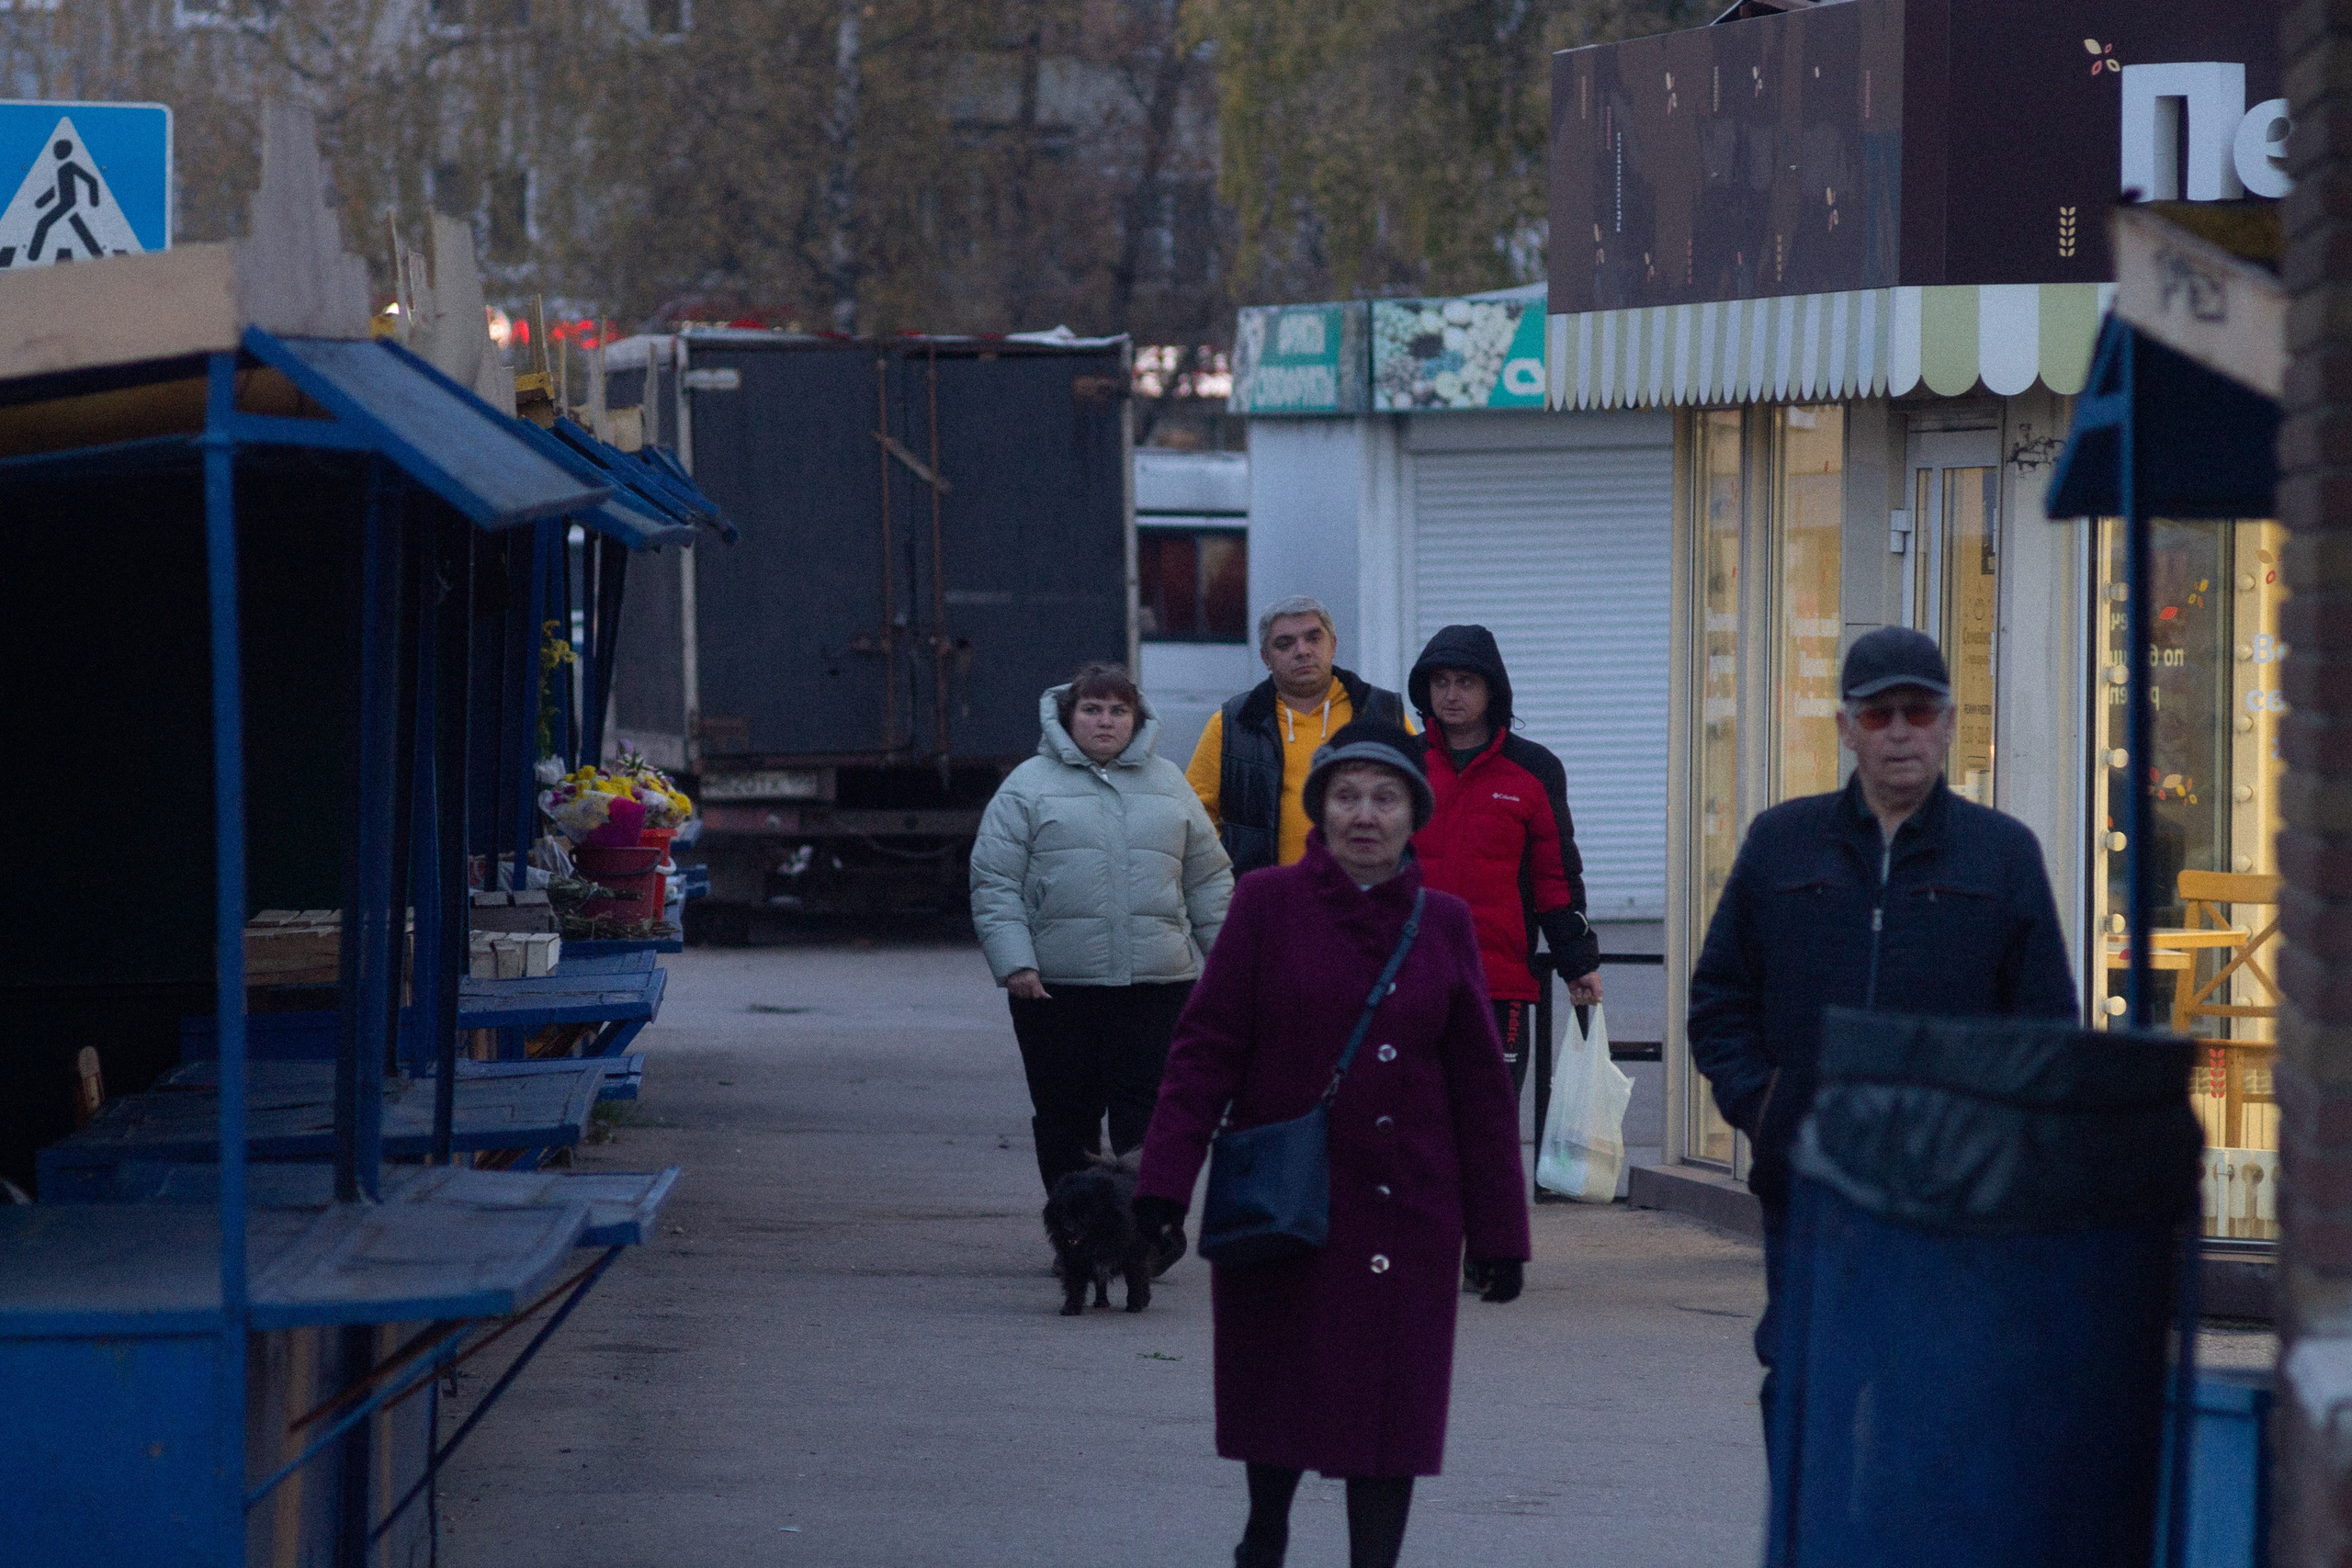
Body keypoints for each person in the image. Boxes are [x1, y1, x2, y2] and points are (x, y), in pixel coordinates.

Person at [1133, 721, 1529, 1568]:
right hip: (1286, 1203)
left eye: (1386, 797)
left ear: (1413, 813)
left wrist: (1500, 1233)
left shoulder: (1444, 922)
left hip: (1407, 1214)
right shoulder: (1266, 903)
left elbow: (1482, 1096)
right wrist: (1163, 1186)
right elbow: (1204, 1053)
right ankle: (1265, 1533)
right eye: (1346, 795)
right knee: (1281, 1389)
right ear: (1319, 808)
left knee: (1391, 1413)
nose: (1365, 814)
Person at [1687, 626, 2075, 1445]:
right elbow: (1720, 999)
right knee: (1805, 1395)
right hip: (1814, 1186)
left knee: (1934, 1410)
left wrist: (1993, 1158)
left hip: (1949, 1203)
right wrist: (1768, 1107)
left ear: (1948, 724)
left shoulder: (2002, 856)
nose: (1900, 732)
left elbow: (2046, 1035)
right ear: (1846, 728)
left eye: (1918, 711)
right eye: (1878, 714)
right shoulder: (1782, 844)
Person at [970, 662, 1233, 1198]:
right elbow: (995, 882)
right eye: (1092, 710)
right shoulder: (1026, 786)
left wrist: (1229, 965)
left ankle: (1148, 1224)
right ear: (1068, 718)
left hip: (1158, 986)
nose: (1106, 721)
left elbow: (1208, 880)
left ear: (1137, 719)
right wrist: (1015, 962)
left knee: (1151, 1114)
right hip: (1056, 989)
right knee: (1065, 1115)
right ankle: (1075, 1227)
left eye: (1119, 710)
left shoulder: (1170, 784)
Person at [1408, 624, 1603, 1100]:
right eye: (1440, 682)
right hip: (1408, 975)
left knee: (1489, 1118)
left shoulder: (1535, 769)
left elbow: (1555, 876)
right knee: (1410, 1117)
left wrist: (1577, 961)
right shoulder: (1402, 764)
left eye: (1466, 682)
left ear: (1492, 689)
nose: (1451, 695)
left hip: (1498, 983)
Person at [1186, 594, 1410, 877]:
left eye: (1313, 638)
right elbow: (1194, 816)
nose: (1302, 651)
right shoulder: (1232, 725)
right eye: (1285, 644)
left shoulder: (1382, 713)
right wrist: (1227, 878)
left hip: (1367, 891)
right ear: (1266, 658)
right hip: (1267, 897)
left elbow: (1418, 799)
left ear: (1333, 645)